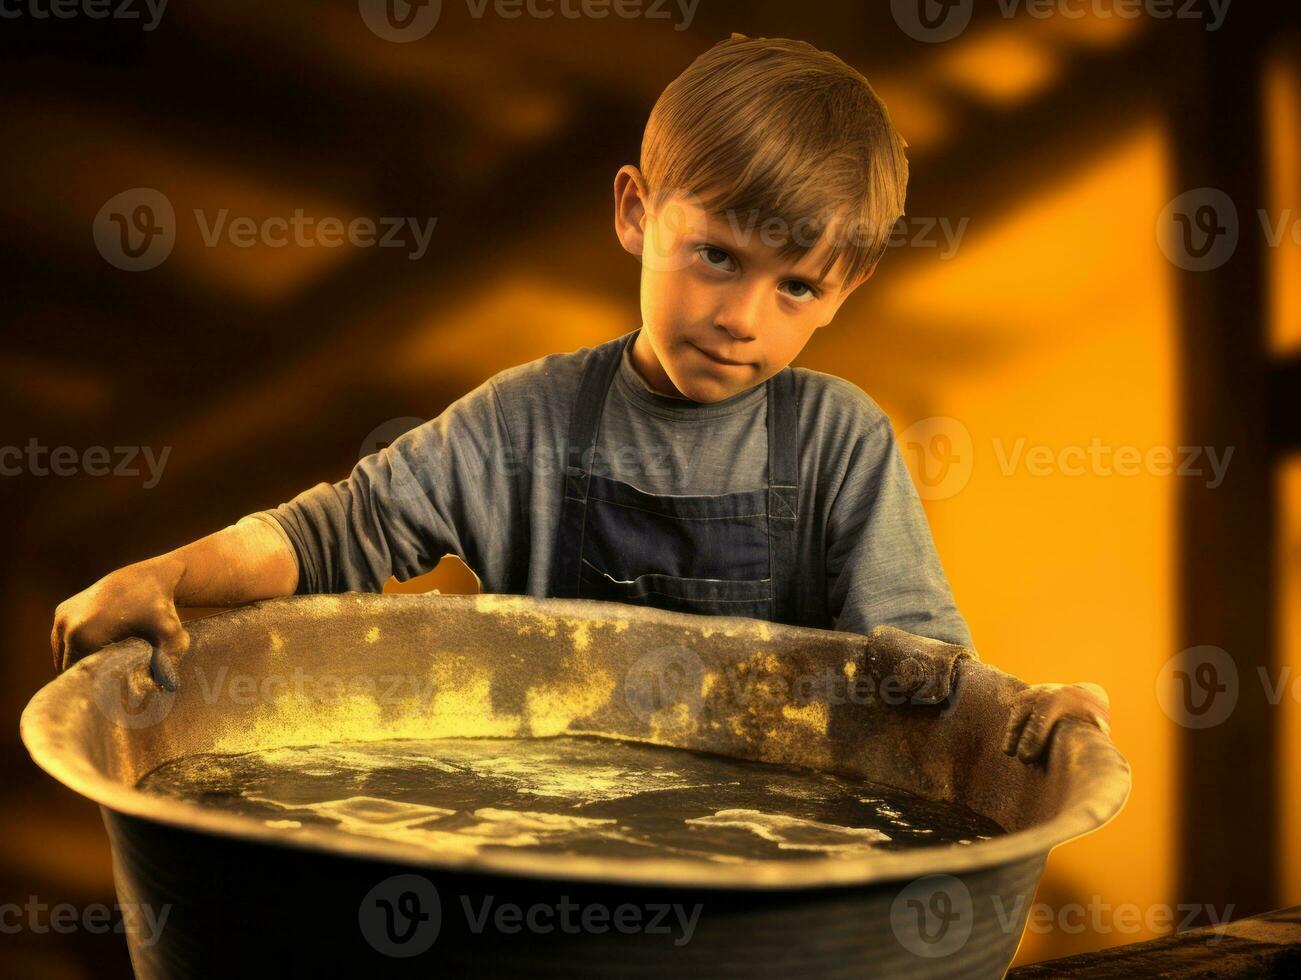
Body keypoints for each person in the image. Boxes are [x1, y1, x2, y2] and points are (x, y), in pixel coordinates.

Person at [50, 33, 1109, 761]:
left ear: (847, 289)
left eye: (794, 285)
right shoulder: (528, 422)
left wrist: (1027, 719)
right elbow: (330, 533)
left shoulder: (836, 443)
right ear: (635, 213)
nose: (742, 314)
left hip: (765, 861)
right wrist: (166, 571)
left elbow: (916, 674)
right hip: (543, 839)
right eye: (713, 254)